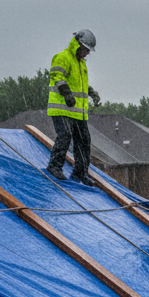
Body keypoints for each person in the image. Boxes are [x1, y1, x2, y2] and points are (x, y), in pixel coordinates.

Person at [45, 30, 101, 185]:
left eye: (89, 51)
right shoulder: (62, 57)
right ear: (78, 44)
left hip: (77, 112)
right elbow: (57, 76)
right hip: (61, 107)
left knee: (84, 140)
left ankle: (80, 173)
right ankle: (54, 166)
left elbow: (80, 85)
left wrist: (92, 93)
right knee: (65, 134)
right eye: (85, 49)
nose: (87, 53)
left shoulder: (81, 63)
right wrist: (67, 94)